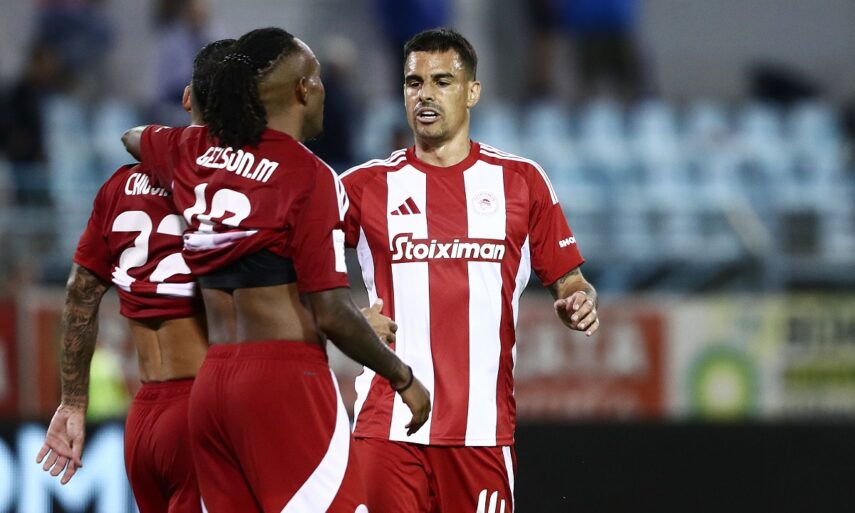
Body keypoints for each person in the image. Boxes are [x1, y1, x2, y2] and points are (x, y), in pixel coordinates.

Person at [122, 27, 431, 512]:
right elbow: (331, 312)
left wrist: (208, 136)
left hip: (212, 388)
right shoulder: (310, 175)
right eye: (319, 77)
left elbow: (135, 137)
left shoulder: (192, 151)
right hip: (284, 384)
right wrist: (402, 377)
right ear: (303, 89)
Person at [340, 28, 601, 512]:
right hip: (387, 427)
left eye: (442, 81)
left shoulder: (522, 182)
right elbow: (293, 267)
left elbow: (569, 279)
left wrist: (578, 299)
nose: (425, 94)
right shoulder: (362, 187)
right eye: (414, 82)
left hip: (481, 432)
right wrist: (346, 318)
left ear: (472, 91)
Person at [35, 39, 237, 512]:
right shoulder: (236, 187)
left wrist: (73, 402)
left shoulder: (120, 184)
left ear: (187, 98)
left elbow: (80, 295)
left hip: (142, 420)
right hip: (203, 408)